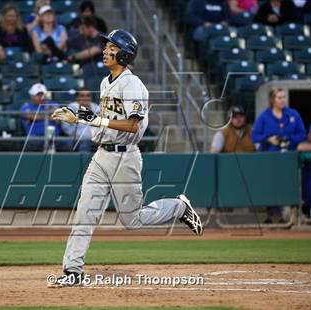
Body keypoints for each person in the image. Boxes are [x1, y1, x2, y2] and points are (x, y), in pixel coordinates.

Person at [50, 29, 204, 287]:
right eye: (106, 46)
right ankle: (73, 270)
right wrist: (81, 117)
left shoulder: (133, 85)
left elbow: (133, 126)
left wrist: (92, 118)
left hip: (125, 158)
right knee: (84, 213)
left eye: (111, 47)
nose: (104, 51)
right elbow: (105, 122)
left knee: (132, 220)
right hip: (101, 155)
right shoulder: (105, 82)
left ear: (124, 53)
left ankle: (178, 207)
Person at [252, 88, 306, 223]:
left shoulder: (293, 114)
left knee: (290, 183)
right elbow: (254, 135)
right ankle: (273, 214)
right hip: (271, 156)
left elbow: (302, 134)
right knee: (272, 183)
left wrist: (289, 139)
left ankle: (292, 214)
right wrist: (268, 139)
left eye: (283, 97)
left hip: (289, 155)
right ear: (272, 100)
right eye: (279, 97)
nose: (282, 100)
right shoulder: (265, 116)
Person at [20, 83, 60, 151]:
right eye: (38, 95)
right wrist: (49, 116)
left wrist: (38, 116)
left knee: (68, 142)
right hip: (35, 137)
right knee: (32, 143)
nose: (41, 97)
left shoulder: (52, 104)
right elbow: (30, 116)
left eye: (42, 94)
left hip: (54, 137)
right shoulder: (26, 106)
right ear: (31, 96)